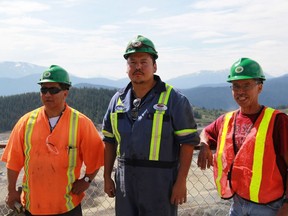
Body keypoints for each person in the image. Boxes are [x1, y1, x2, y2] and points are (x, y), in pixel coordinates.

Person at [102, 35, 200, 216]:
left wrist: (181, 182)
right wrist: (107, 176)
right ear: (127, 67)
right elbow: (109, 141)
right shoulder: (117, 100)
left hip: (160, 183)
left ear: (154, 66)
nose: (138, 67)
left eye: (144, 62)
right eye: (132, 62)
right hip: (125, 182)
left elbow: (187, 143)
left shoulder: (174, 99)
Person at [1, 65, 104, 216]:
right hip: (33, 206)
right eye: (43, 90)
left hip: (67, 206)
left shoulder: (81, 123)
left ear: (65, 93)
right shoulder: (26, 122)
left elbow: (96, 156)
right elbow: (13, 161)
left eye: (53, 90)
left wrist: (87, 180)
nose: (47, 94)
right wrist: (11, 191)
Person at [197, 58, 288, 216]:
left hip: (270, 207)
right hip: (237, 205)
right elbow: (205, 132)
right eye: (236, 86)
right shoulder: (226, 120)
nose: (240, 91)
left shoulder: (277, 121)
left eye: (247, 85)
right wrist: (204, 144)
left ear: (259, 87)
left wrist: (286, 206)